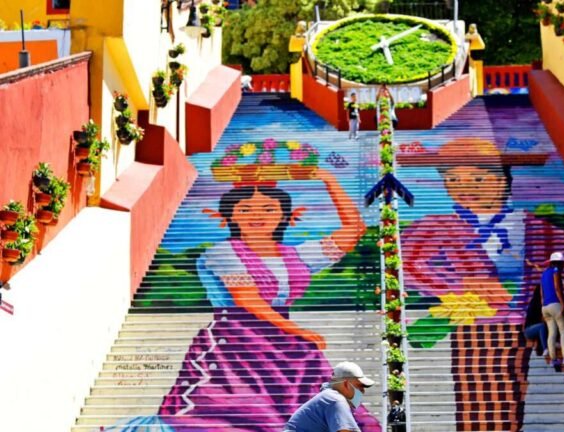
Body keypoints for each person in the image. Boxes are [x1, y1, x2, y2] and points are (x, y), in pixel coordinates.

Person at [104, 168, 379, 430]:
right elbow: (247, 299)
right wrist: (299, 331)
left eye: (269, 208)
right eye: (245, 209)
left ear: (287, 215)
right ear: (228, 216)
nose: (256, 215)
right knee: (245, 414)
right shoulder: (223, 253)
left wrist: (328, 180)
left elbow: (354, 230)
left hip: (289, 346)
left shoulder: (296, 254)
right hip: (237, 342)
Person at [400, 138, 564, 336]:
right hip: (477, 330)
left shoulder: (547, 232)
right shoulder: (433, 227)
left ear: (502, 180)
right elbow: (405, 264)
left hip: (542, 324)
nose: (464, 188)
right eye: (453, 180)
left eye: (478, 179)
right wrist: (458, 284)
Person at [284, 361, 376, 432]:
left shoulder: (328, 397)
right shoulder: (336, 400)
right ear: (346, 384)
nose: (363, 391)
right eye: (360, 386)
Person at [540, 252, 564, 366]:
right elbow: (558, 288)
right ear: (558, 263)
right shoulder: (556, 271)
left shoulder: (544, 273)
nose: (563, 266)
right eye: (562, 264)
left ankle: (553, 359)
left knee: (552, 332)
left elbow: (541, 292)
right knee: (563, 330)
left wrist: (543, 305)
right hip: (555, 304)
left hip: (545, 307)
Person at [523, 284, 548, 356]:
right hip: (529, 330)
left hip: (534, 328)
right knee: (542, 326)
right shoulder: (535, 303)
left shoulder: (542, 303)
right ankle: (545, 348)